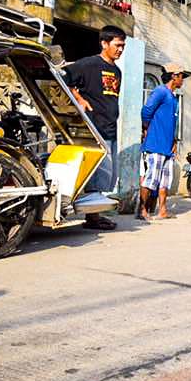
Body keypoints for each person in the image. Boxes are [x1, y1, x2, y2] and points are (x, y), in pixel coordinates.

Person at [64, 25, 125, 230]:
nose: (120, 49)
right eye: (117, 45)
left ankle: (94, 214)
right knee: (99, 172)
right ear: (104, 43)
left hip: (110, 126)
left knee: (108, 174)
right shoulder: (89, 64)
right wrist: (79, 98)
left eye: (123, 45)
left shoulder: (117, 71)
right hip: (95, 126)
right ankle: (93, 217)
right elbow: (64, 77)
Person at [137, 63, 183, 221]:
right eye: (181, 76)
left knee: (165, 181)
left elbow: (172, 122)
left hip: (168, 146)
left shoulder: (173, 98)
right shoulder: (160, 91)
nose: (182, 79)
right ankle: (142, 210)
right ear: (173, 76)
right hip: (155, 144)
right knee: (151, 178)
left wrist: (174, 140)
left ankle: (162, 210)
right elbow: (146, 111)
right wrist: (146, 129)